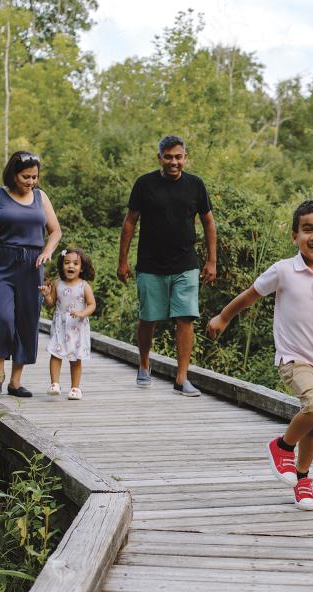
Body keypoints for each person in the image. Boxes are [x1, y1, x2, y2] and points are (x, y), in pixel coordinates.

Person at [208, 199, 313, 510]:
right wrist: (223, 317)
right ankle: (282, 446)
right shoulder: (283, 270)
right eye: (307, 229)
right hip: (293, 358)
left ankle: (303, 479)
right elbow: (249, 296)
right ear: (294, 235)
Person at [117, 135, 217, 396]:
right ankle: (144, 363)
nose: (174, 162)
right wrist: (123, 261)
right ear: (159, 158)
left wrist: (211, 261)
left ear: (185, 157)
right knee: (148, 318)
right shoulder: (145, 184)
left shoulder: (195, 185)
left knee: (185, 317)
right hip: (150, 263)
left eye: (178, 157)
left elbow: (208, 222)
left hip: (186, 263)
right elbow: (130, 222)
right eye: (169, 157)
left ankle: (182, 377)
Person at [0, 151, 62, 397]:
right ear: (13, 174)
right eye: (25, 177)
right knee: (2, 317)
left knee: (26, 321)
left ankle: (15, 382)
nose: (30, 181)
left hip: (32, 266)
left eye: (34, 177)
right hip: (0, 263)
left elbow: (55, 231)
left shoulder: (41, 197)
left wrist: (48, 251)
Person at [39, 247, 96, 400]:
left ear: (81, 267)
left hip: (77, 326)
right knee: (55, 353)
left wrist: (82, 313)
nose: (71, 266)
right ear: (62, 265)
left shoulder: (84, 286)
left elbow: (92, 305)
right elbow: (51, 303)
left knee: (76, 358)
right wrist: (46, 295)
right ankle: (54, 384)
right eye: (67, 262)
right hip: (60, 325)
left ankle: (75, 388)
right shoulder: (58, 284)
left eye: (75, 263)